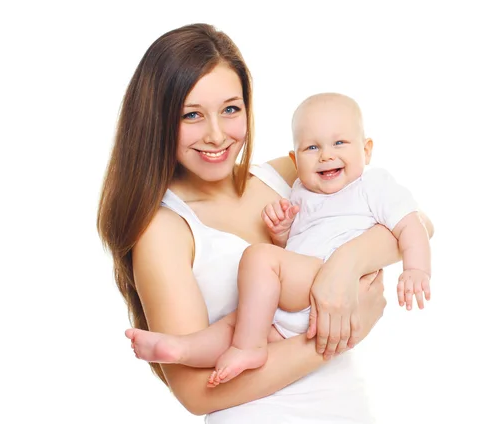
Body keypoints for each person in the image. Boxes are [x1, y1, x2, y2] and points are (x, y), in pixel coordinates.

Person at [98, 23, 434, 423]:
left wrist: (344, 265)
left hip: (345, 406)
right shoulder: (164, 230)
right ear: (158, 120)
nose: (216, 134)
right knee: (232, 327)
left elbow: (415, 223)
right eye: (192, 115)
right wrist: (340, 334)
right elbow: (196, 394)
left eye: (230, 109)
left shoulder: (291, 174)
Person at [125, 92, 432, 388]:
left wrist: (414, 269)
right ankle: (184, 350)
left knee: (260, 258)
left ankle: (249, 348)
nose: (326, 155)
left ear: (366, 150)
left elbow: (415, 224)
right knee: (238, 324)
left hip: (315, 284)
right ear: (294, 158)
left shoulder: (372, 185)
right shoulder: (301, 188)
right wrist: (283, 233)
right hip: (294, 307)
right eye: (312, 148)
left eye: (340, 142)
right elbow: (300, 243)